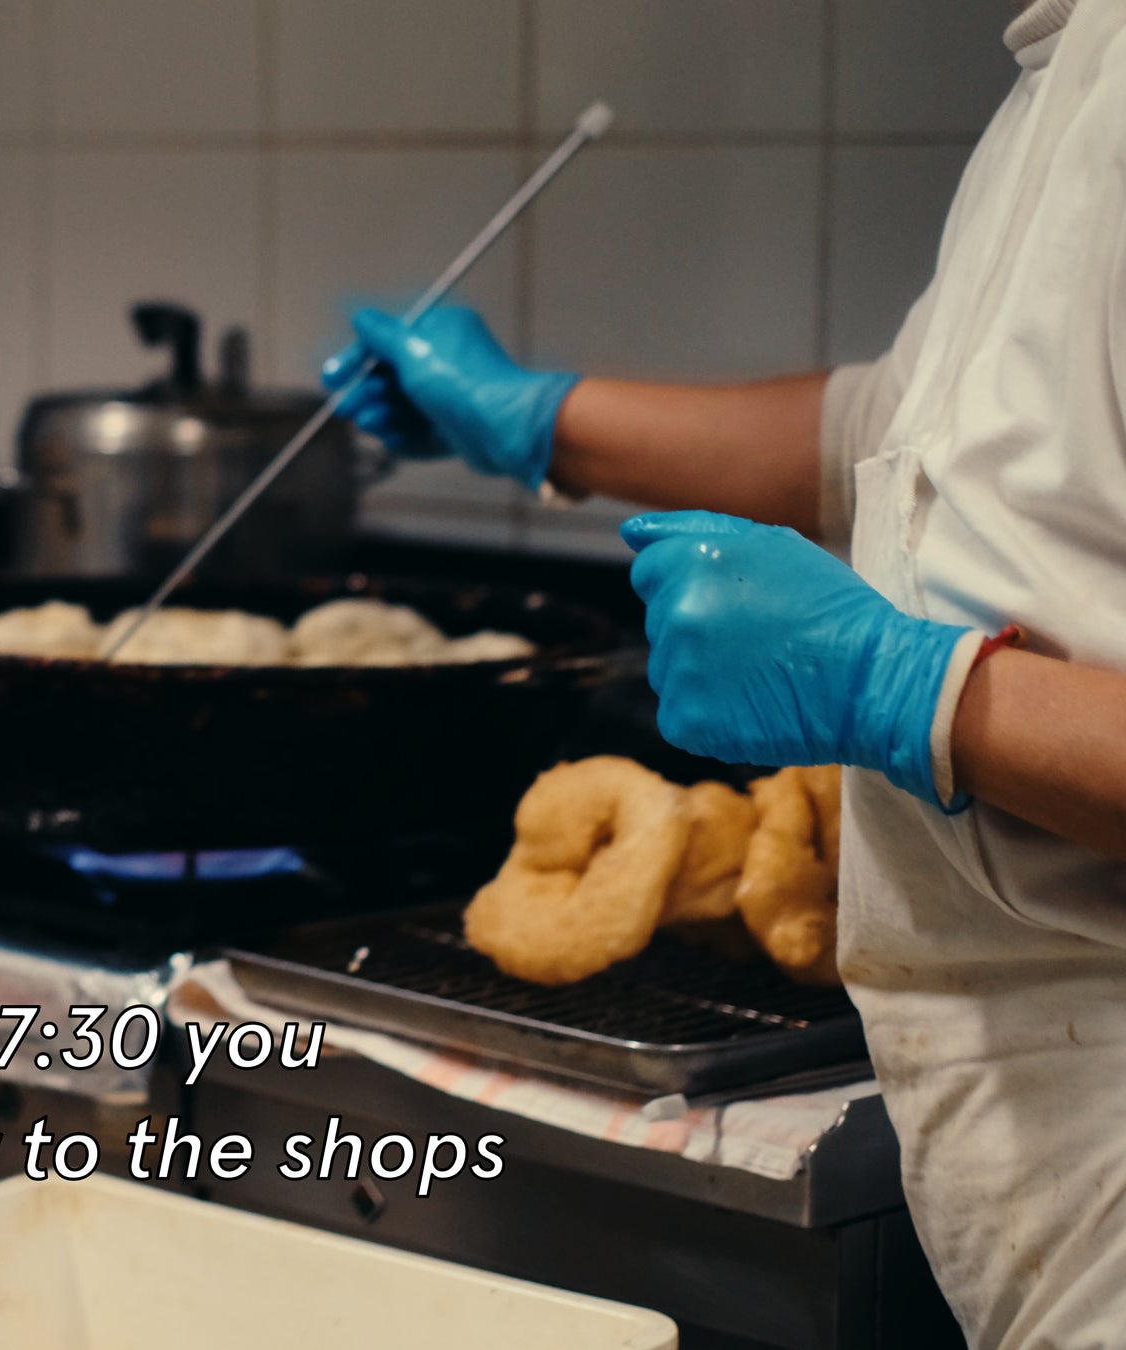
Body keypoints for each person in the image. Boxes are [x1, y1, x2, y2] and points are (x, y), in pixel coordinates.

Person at [327, 1, 1126, 1342]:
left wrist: (919, 691)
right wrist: (538, 419)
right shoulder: (1072, 65)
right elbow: (904, 432)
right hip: (1030, 1151)